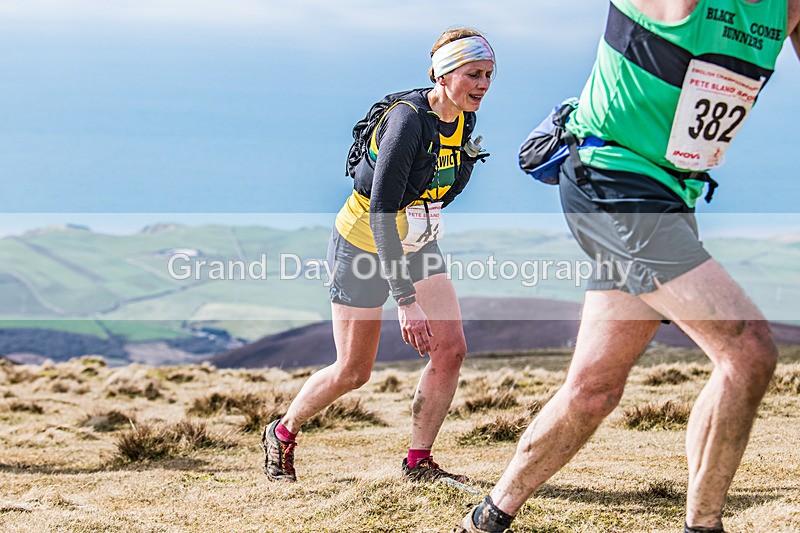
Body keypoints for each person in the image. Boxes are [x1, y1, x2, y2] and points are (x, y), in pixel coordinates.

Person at [457, 1, 800, 532]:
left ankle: (487, 517)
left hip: (671, 196)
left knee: (593, 390)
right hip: (611, 179)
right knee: (748, 351)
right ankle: (703, 526)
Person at [261, 28, 495, 484]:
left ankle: (418, 462)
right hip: (364, 243)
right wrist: (405, 301)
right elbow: (381, 213)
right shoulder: (408, 122)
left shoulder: (462, 120)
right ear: (443, 74)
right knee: (353, 371)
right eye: (473, 74)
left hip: (418, 243)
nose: (483, 84)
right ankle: (282, 432)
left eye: (488, 74)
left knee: (451, 350)